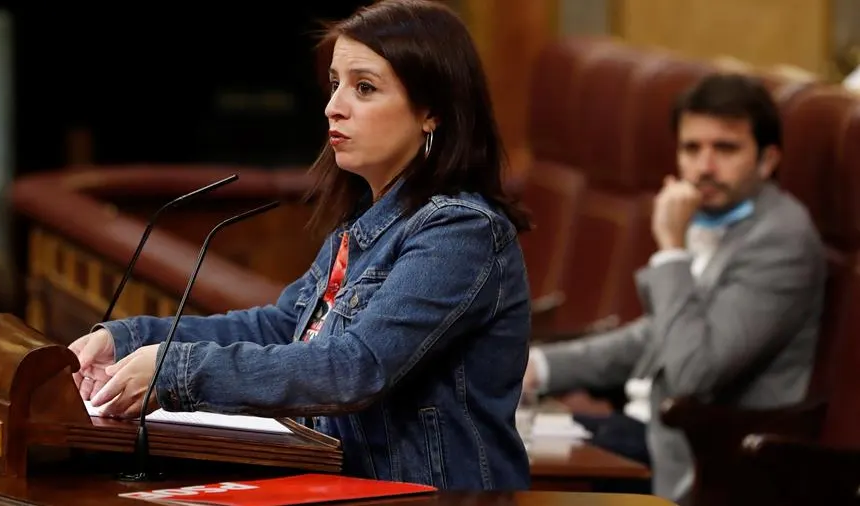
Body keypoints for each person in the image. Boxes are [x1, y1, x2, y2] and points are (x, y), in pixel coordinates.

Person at [69, 0, 533, 491]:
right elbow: (282, 326)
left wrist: (174, 371)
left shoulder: (461, 231)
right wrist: (131, 339)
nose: (334, 106)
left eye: (365, 87)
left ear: (432, 111)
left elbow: (357, 367)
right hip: (342, 488)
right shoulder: (362, 227)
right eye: (335, 84)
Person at [524, 73, 825, 502]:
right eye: (691, 148)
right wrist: (537, 367)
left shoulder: (781, 241)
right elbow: (656, 333)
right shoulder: (716, 222)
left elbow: (691, 374)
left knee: (497, 459)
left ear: (768, 159)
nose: (704, 167)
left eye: (725, 148)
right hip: (639, 431)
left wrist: (670, 248)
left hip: (698, 459)